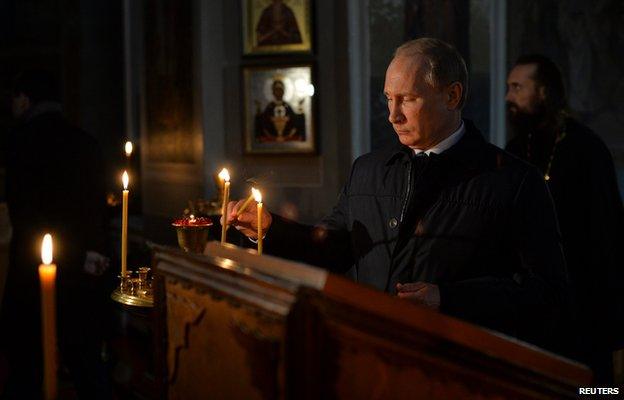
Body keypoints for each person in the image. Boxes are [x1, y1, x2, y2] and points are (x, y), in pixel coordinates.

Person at [227, 38, 570, 353]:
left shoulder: (514, 181)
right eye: (388, 99)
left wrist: (448, 298)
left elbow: (546, 293)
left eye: (408, 99)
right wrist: (271, 228)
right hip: (370, 353)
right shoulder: (369, 169)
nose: (393, 115)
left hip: (456, 366)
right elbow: (332, 246)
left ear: (452, 96)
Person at [505, 54, 624, 383]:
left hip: (585, 305)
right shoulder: (514, 151)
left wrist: (611, 317)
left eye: (517, 87)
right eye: (508, 87)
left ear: (543, 92)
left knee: (594, 390)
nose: (508, 97)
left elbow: (607, 234)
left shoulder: (587, 149)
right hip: (532, 308)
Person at [0, 70, 110, 398]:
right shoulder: (86, 143)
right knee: (88, 369)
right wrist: (90, 256)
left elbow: (25, 216)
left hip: (33, 274)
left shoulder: (19, 144)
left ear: (24, 99)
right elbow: (96, 212)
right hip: (83, 274)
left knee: (26, 373)